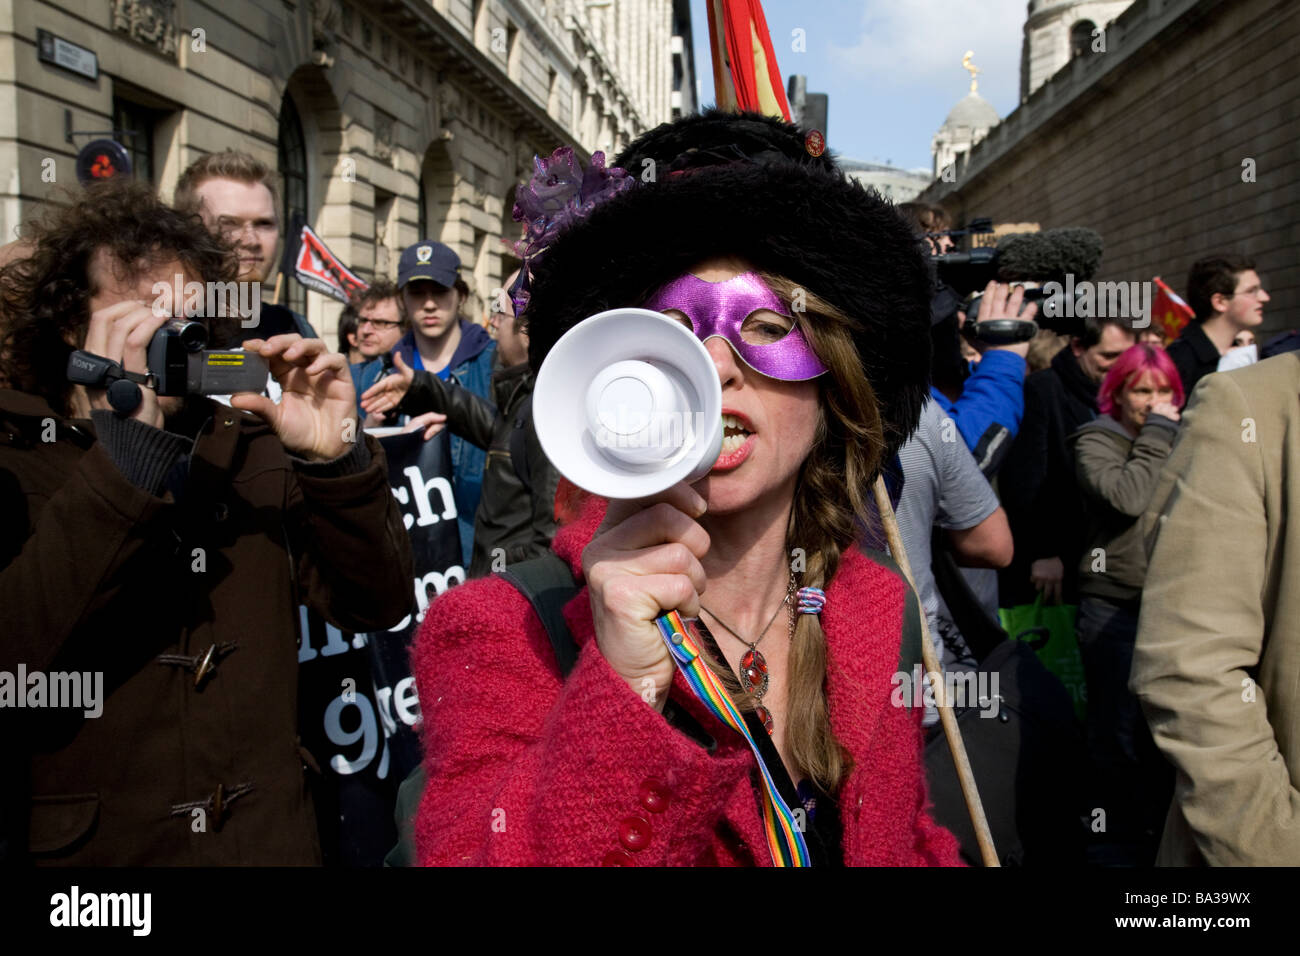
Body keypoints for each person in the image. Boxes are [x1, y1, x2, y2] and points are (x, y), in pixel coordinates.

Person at [409, 111, 962, 866]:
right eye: (673, 330)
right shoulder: (501, 630)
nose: (712, 365)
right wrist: (627, 686)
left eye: (766, 327)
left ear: (835, 377)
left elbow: (903, 839)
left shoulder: (877, 604)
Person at [0, 179, 412, 864]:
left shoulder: (246, 437)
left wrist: (336, 465)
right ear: (74, 327)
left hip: (270, 842)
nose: (171, 344)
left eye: (187, 322)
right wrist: (120, 466)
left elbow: (377, 603)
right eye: (140, 323)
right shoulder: (14, 456)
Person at [1132, 351, 1300, 866]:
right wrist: (1277, 846)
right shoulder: (1250, 407)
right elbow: (1190, 668)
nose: (1154, 401)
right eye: (1141, 390)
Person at [361, 270, 559, 578]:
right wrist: (418, 387)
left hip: (506, 604)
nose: (493, 321)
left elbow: (552, 545)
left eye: (499, 311)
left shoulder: (546, 410)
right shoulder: (526, 399)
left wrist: (496, 583)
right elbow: (491, 426)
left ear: (527, 328)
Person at [1071, 343, 1184, 865]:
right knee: (1116, 737)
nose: (1153, 401)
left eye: (1163, 391)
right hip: (1113, 610)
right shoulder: (1097, 439)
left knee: (1164, 736)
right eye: (1142, 389)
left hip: (1172, 609)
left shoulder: (1178, 440)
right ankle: (1112, 848)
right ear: (1117, 393)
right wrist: (1160, 432)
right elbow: (1127, 497)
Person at [999, 316, 1136, 609]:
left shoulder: (1121, 397)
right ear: (1078, 347)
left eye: (1126, 356)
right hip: (1056, 563)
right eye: (1108, 355)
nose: (1118, 365)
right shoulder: (1043, 390)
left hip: (1104, 557)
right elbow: (1023, 480)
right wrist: (1042, 553)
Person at [381, 240, 496, 566]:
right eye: (417, 293)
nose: (429, 304)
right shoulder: (378, 372)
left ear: (460, 296)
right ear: (402, 300)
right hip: (408, 554)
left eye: (440, 291)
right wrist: (374, 432)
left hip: (475, 546)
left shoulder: (494, 366)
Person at [893, 398, 1012, 674]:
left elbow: (995, 547)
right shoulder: (924, 413)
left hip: (806, 678)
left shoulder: (791, 404)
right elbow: (994, 545)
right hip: (914, 675)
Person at [172, 150, 318, 342]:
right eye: (229, 224)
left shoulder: (294, 328)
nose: (251, 241)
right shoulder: (159, 330)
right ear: (188, 231)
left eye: (264, 224)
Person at [1165, 254, 1268, 396]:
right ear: (1220, 302)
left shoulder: (1247, 352)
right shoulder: (1179, 360)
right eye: (1251, 291)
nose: (1264, 297)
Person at [343, 278, 408, 412]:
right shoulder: (348, 379)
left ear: (405, 328)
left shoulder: (421, 379)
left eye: (379, 323)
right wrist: (363, 429)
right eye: (363, 320)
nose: (365, 331)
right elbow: (346, 430)